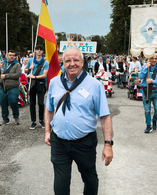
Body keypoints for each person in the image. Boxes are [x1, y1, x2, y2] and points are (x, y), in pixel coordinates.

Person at [44, 47, 113, 195]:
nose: (72, 64)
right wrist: (47, 131)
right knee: (60, 185)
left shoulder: (95, 85)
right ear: (63, 63)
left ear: (82, 62)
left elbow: (105, 116)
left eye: (76, 60)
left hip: (84, 142)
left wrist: (108, 144)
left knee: (90, 180)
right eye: (68, 60)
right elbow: (49, 108)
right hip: (59, 142)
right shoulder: (54, 83)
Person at [0, 50, 22, 125]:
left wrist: (6, 76)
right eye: (10, 55)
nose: (12, 56)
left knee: (13, 101)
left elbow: (18, 75)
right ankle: (5, 119)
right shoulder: (2, 63)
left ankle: (16, 116)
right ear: (7, 56)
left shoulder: (17, 65)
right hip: (2, 86)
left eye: (13, 55)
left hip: (13, 86)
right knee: (3, 102)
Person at [139, 54, 157, 133]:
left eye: (155, 58)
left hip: (156, 91)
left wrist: (152, 81)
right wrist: (146, 68)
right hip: (146, 91)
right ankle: (148, 125)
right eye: (152, 58)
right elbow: (140, 76)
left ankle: (154, 120)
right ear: (149, 59)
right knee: (147, 110)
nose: (153, 60)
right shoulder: (144, 66)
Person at [25, 45, 49, 130]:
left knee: (41, 103)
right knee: (32, 103)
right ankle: (33, 121)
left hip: (40, 83)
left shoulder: (45, 62)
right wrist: (29, 68)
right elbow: (25, 70)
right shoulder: (30, 60)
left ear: (42, 51)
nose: (39, 51)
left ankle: (41, 120)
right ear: (35, 51)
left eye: (40, 50)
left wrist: (34, 77)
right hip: (32, 83)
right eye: (37, 49)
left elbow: (44, 75)